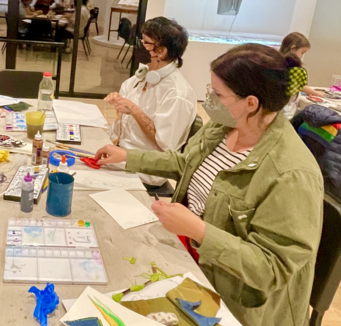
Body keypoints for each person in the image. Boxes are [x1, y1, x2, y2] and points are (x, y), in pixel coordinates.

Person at [95, 43, 323, 326]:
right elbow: (184, 164)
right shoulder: (226, 126)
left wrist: (198, 229)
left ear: (251, 102)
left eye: (217, 94)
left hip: (233, 295)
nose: (209, 100)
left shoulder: (291, 173)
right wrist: (128, 157)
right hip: (192, 255)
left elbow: (271, 268)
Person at [104, 17, 197, 186]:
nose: (139, 45)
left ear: (161, 52)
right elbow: (123, 119)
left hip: (145, 168)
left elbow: (165, 146)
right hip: (121, 149)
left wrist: (134, 109)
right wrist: (119, 102)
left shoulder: (177, 94)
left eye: (145, 42)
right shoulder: (143, 76)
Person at [279, 32, 325, 119]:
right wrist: (315, 93)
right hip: (285, 110)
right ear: (293, 48)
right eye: (302, 52)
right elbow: (300, 85)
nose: (301, 56)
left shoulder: (279, 62)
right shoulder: (289, 66)